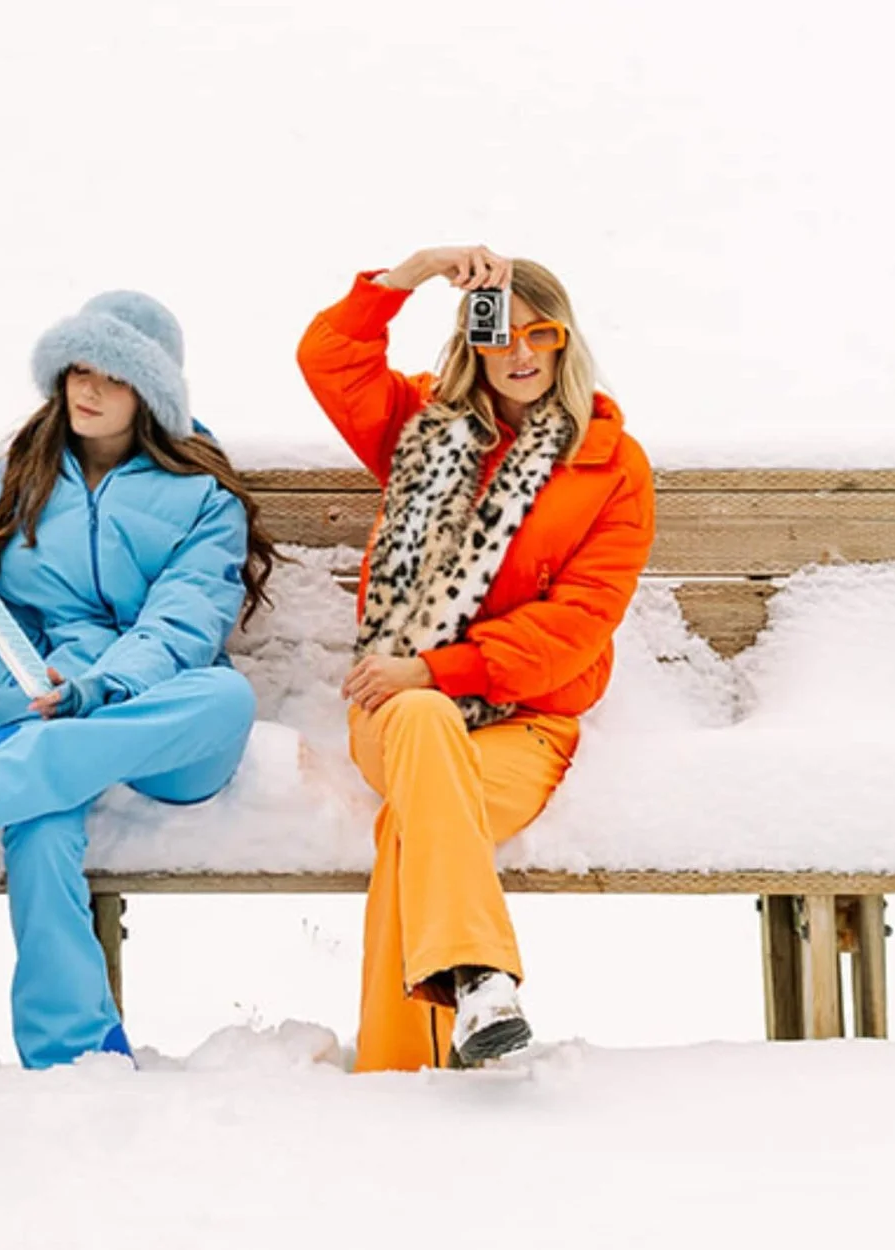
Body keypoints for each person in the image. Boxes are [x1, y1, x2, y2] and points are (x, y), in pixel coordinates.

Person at [0, 291, 275, 1069]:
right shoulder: (16, 475)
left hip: (154, 716)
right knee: (41, 823)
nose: (87, 388)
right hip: (34, 698)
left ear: (150, 393)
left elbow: (181, 628)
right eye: (78, 368)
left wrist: (101, 690)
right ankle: (71, 1057)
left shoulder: (203, 500)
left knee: (229, 698)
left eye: (111, 375)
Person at [296, 246, 655, 1072]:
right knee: (419, 722)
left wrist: (438, 670)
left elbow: (580, 623)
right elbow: (329, 357)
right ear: (471, 340)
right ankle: (483, 978)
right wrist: (414, 273)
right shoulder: (421, 427)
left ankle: (397, 1071)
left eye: (542, 333)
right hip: (391, 710)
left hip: (523, 726)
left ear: (567, 341)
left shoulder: (611, 468)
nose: (521, 354)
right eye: (499, 334)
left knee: (410, 827)